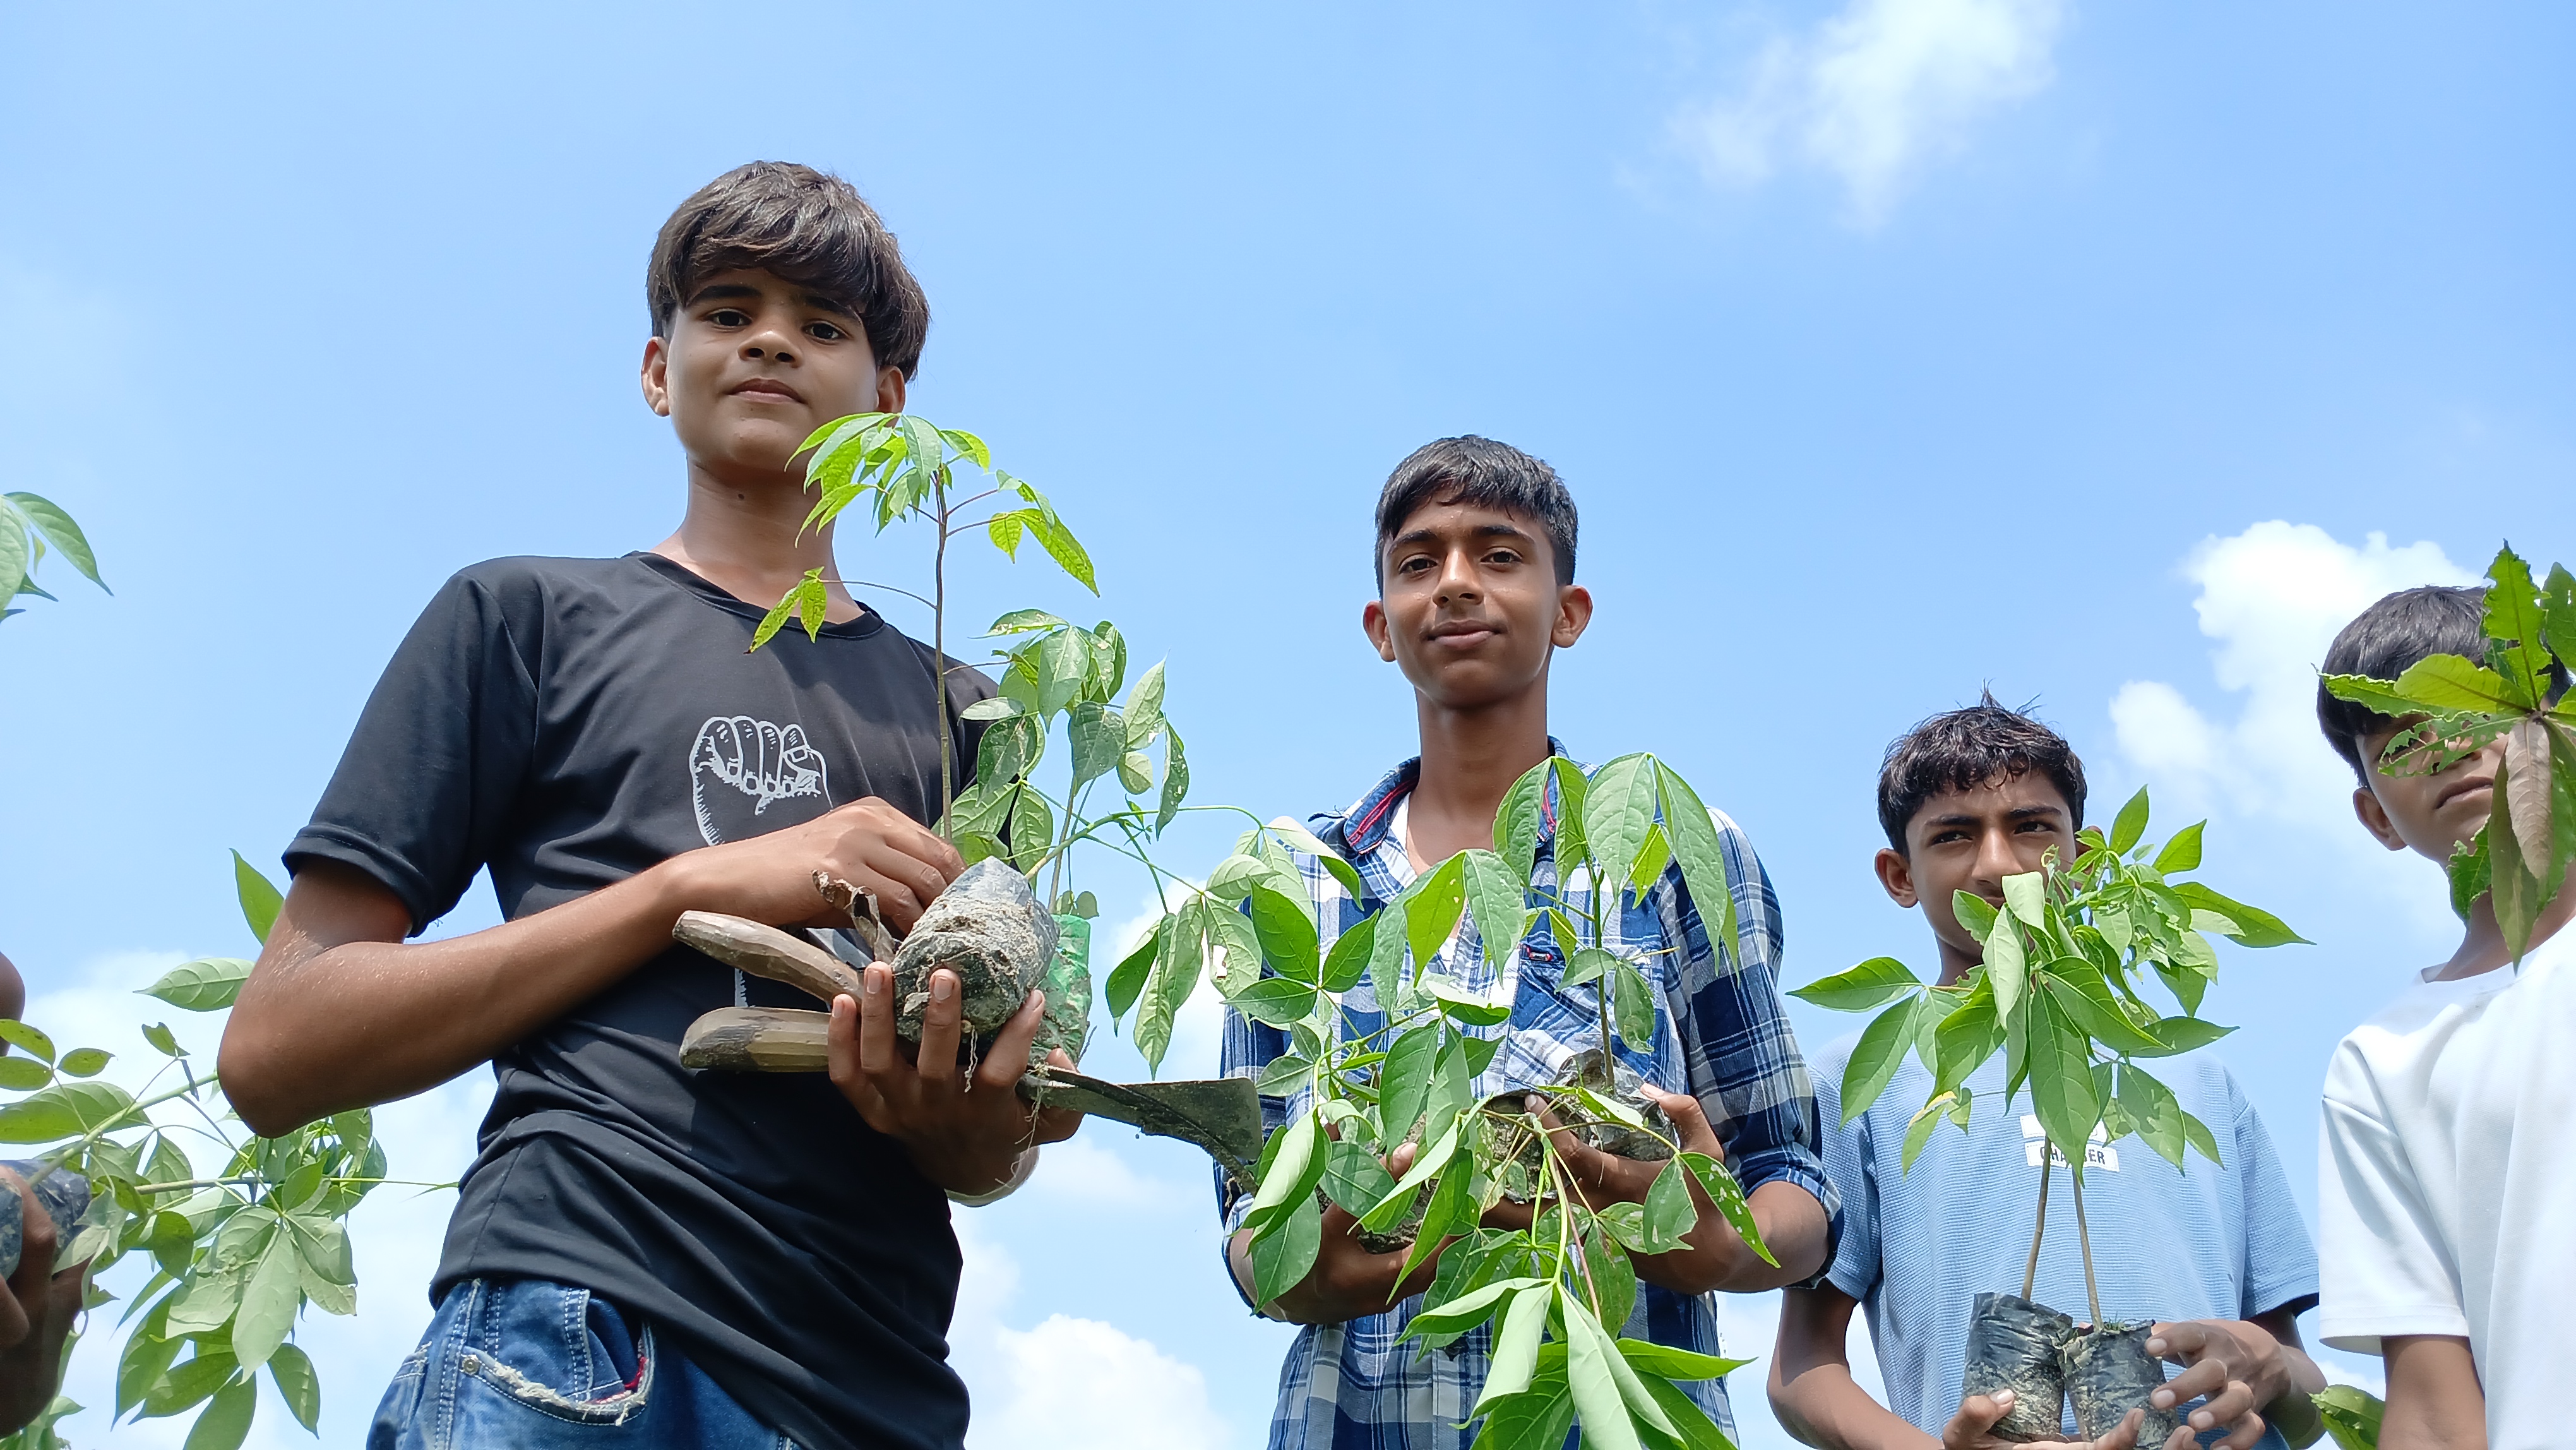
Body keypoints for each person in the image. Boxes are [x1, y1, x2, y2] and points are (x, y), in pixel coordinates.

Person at [217, 162, 1078, 1450]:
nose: (772, 337)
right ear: (656, 369)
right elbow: (279, 1048)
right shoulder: (522, 621)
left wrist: (970, 1124)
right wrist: (685, 888)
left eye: (823, 323)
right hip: (573, 1326)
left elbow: (1013, 1126)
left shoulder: (974, 714)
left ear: (891, 401)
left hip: (872, 1383)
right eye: (726, 309)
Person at [1216, 436, 1837, 1449]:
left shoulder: (1680, 855)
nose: (1456, 584)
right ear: (1381, 626)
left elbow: (1792, 1183)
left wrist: (1706, 1236)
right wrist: (1299, 1267)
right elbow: (1247, 1221)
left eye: (1499, 554)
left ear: (1570, 612)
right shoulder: (1292, 878)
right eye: (1420, 563)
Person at [1768, 700, 2325, 1450]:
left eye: (2031, 826)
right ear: (1900, 874)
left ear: (2086, 855)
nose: (1999, 864)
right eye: (1954, 835)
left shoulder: (2193, 1075)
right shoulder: (1862, 1078)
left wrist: (2274, 1372)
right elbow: (1802, 1367)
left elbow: (2304, 1389)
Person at [2312, 585, 2576, 1450]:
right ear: (2374, 817)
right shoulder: (2381, 1058)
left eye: (2484, 709)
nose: (2453, 751)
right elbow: (2430, 1403)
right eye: (2407, 738)